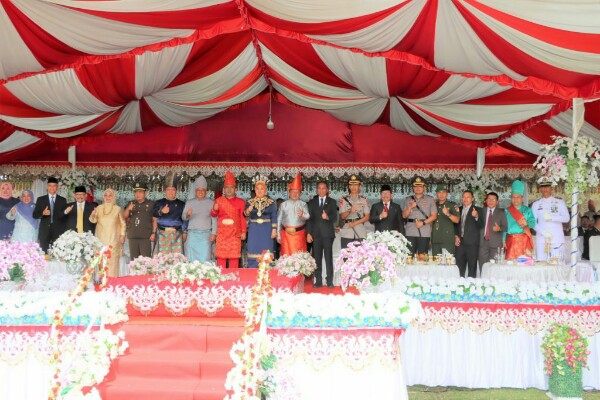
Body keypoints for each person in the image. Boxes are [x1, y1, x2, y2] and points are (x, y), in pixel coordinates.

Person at [211, 171, 246, 268]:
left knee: (234, 257)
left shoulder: (241, 202)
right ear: (224, 189)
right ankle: (220, 275)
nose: (229, 190)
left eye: (231, 187)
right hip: (222, 233)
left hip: (235, 233)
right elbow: (213, 215)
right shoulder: (219, 201)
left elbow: (242, 217)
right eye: (227, 187)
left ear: (235, 189)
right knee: (221, 257)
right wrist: (214, 209)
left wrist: (243, 231)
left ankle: (233, 275)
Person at [307, 181, 338, 288]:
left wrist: (327, 217)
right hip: (316, 234)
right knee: (317, 259)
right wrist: (308, 233)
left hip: (328, 234)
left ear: (327, 190)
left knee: (328, 258)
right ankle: (318, 281)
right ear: (316, 190)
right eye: (319, 188)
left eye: (323, 188)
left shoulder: (332, 202)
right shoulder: (312, 202)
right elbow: (309, 219)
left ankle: (329, 281)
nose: (321, 190)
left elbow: (335, 218)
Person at [531, 177, 570, 261]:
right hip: (542, 239)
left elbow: (566, 218)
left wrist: (552, 217)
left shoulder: (559, 202)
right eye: (542, 187)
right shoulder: (536, 204)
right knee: (542, 264)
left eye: (547, 186)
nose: (545, 189)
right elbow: (532, 222)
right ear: (540, 189)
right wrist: (543, 232)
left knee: (557, 264)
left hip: (556, 239)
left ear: (551, 188)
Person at [90, 189, 126, 277]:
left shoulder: (117, 209)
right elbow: (93, 220)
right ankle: (102, 280)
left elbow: (123, 223)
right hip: (100, 238)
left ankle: (112, 281)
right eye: (106, 195)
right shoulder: (99, 208)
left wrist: (122, 235)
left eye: (110, 195)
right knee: (101, 258)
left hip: (113, 238)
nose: (107, 197)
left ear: (114, 197)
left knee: (112, 260)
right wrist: (93, 213)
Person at [244, 175, 277, 268]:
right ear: (255, 190)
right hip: (254, 229)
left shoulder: (271, 202)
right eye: (257, 188)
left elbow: (274, 216)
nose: (259, 191)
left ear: (265, 190)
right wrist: (248, 211)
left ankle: (266, 270)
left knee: (266, 249)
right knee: (253, 247)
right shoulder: (249, 202)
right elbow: (245, 214)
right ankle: (252, 270)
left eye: (261, 189)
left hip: (266, 229)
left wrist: (274, 229)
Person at [183, 176, 217, 262]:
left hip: (205, 235)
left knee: (205, 257)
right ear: (195, 192)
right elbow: (183, 218)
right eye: (198, 190)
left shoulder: (211, 203)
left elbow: (214, 219)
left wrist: (214, 233)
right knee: (190, 257)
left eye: (203, 190)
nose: (200, 192)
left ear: (206, 192)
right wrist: (187, 214)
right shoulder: (189, 202)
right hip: (192, 234)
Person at [153, 172, 186, 255]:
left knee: (176, 258)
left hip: (177, 235)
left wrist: (185, 232)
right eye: (168, 189)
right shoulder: (159, 202)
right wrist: (161, 211)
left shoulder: (181, 204)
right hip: (162, 234)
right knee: (162, 258)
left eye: (173, 189)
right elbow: (154, 214)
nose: (171, 192)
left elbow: (185, 219)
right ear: (165, 191)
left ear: (176, 191)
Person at [277, 173, 310, 256]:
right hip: (286, 235)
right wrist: (278, 235)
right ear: (289, 193)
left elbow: (308, 216)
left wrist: (302, 214)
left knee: (299, 256)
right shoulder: (283, 204)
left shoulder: (303, 204)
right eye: (293, 192)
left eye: (297, 192)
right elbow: (279, 220)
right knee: (286, 256)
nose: (295, 194)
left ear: (300, 194)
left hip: (299, 234)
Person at [402, 177, 437, 255]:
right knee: (409, 256)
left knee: (422, 256)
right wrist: (410, 207)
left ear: (424, 188)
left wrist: (423, 223)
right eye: (415, 186)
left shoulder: (430, 199)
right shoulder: (407, 200)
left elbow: (434, 216)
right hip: (410, 231)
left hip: (424, 230)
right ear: (413, 188)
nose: (418, 188)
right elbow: (404, 216)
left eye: (420, 186)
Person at [33, 177, 67, 252]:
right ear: (47, 187)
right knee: (44, 252)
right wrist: (43, 213)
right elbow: (35, 215)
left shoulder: (62, 200)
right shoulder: (40, 199)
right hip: (44, 230)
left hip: (58, 231)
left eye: (54, 186)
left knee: (58, 252)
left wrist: (66, 213)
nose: (52, 188)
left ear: (57, 187)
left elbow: (64, 218)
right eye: (50, 185)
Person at [123, 182, 156, 259]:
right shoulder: (131, 203)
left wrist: (153, 233)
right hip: (133, 236)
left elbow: (154, 220)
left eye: (140, 192)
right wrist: (128, 209)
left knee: (145, 260)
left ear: (145, 193)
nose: (138, 194)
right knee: (134, 260)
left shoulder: (151, 204)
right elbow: (124, 216)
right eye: (136, 192)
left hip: (145, 236)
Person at [455, 190, 484, 278]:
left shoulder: (478, 210)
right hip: (460, 243)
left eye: (468, 197)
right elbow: (454, 225)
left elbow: (481, 225)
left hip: (472, 244)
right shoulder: (458, 209)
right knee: (459, 268)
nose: (465, 199)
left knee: (472, 268)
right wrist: (455, 236)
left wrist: (476, 216)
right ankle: (459, 284)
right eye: (464, 197)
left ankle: (471, 285)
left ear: (472, 199)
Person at [504, 180, 536, 259]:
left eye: (518, 197)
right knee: (509, 263)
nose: (515, 199)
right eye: (513, 197)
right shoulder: (506, 211)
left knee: (524, 263)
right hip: (510, 241)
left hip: (523, 241)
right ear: (511, 198)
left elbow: (533, 222)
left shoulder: (527, 210)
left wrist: (527, 224)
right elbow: (504, 227)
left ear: (522, 198)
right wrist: (503, 240)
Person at [339, 175, 370, 249]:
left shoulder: (364, 199)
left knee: (360, 254)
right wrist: (350, 210)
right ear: (349, 186)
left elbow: (367, 217)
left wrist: (354, 223)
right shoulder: (343, 199)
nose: (353, 187)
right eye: (351, 185)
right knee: (346, 254)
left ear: (359, 186)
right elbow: (342, 216)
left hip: (360, 231)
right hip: (347, 232)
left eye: (356, 185)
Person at [478, 192, 507, 268]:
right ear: (486, 200)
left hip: (496, 244)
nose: (491, 201)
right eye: (489, 199)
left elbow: (505, 227)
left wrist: (499, 228)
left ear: (497, 202)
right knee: (482, 266)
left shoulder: (502, 212)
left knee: (494, 267)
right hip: (483, 243)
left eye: (493, 200)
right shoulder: (481, 211)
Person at [431, 184, 460, 255]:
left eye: (444, 192)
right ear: (436, 194)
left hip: (448, 239)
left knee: (448, 260)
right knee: (436, 260)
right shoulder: (433, 205)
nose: (441, 194)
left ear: (447, 194)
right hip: (435, 238)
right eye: (439, 192)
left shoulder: (452, 205)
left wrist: (448, 214)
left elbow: (457, 220)